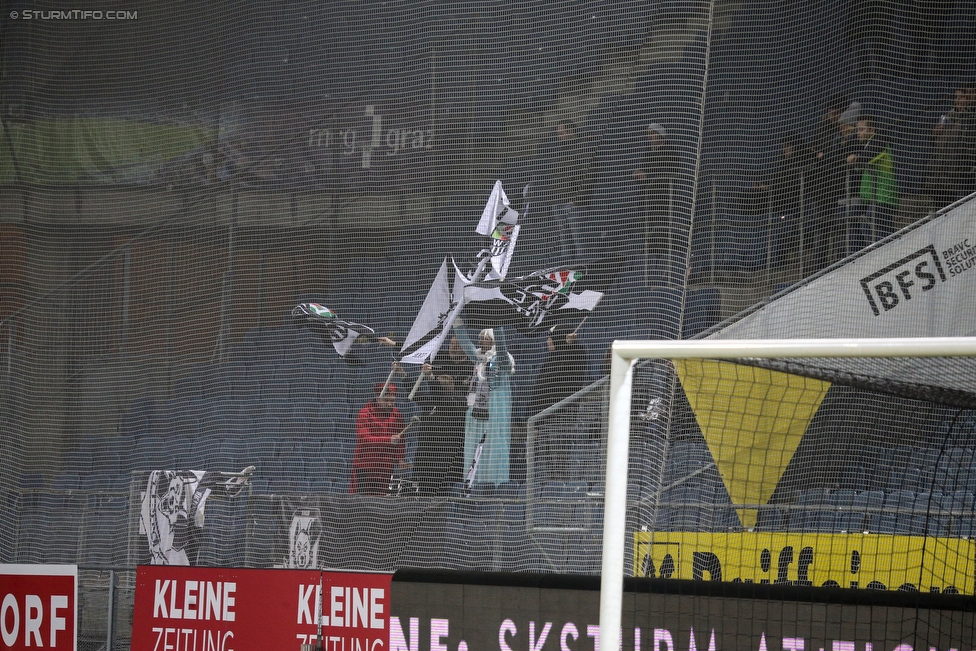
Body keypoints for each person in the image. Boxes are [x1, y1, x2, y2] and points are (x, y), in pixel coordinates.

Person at [410, 336, 474, 495]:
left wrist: (430, 378)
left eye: (457, 344)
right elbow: (416, 395)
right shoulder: (432, 402)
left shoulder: (457, 403)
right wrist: (402, 373)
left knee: (443, 496)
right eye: (451, 344)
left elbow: (441, 395)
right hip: (427, 461)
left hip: (446, 464)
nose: (453, 347)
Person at [453, 321, 515, 485]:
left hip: (493, 415)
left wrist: (497, 322)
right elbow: (466, 344)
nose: (480, 341)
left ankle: (495, 484)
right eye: (480, 338)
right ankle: (471, 483)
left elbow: (502, 347)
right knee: (472, 449)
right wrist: (457, 323)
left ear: (493, 340)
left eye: (484, 338)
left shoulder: (502, 360)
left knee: (493, 450)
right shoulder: (478, 358)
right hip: (475, 412)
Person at [529, 324, 590, 483]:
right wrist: (536, 423)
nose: (547, 340)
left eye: (550, 337)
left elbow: (577, 363)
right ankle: (548, 493)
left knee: (559, 462)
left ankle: (560, 494)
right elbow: (539, 391)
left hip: (563, 419)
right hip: (544, 421)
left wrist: (571, 345)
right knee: (545, 464)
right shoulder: (549, 360)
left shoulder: (575, 354)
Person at [535, 120, 596, 259]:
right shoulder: (559, 151)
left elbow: (588, 175)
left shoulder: (584, 148)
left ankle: (582, 271)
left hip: (574, 203)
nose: (561, 136)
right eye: (559, 134)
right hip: (558, 201)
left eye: (563, 133)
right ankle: (566, 272)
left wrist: (577, 198)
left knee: (579, 241)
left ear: (572, 131)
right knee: (565, 242)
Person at [846, 115, 898, 247]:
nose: (858, 133)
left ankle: (886, 253)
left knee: (874, 225)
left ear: (872, 130)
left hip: (883, 195)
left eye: (862, 130)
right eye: (858, 130)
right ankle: (857, 256)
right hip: (872, 196)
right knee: (855, 218)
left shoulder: (879, 141)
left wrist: (856, 158)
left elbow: (866, 157)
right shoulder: (867, 144)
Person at [923, 82, 976, 208]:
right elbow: (935, 142)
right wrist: (935, 133)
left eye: (962, 96)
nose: (958, 100)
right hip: (939, 177)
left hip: (958, 177)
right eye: (956, 97)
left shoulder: (970, 119)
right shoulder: (947, 117)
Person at [351, 382, 406, 495]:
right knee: (360, 502)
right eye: (386, 400)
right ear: (378, 398)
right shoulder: (365, 413)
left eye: (392, 401)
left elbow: (401, 439)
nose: (390, 404)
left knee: (380, 502)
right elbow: (364, 439)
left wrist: (399, 458)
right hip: (365, 467)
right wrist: (388, 440)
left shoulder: (396, 415)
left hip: (385, 468)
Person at [632, 123, 675, 257]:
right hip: (647, 195)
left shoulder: (669, 151)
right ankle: (650, 249)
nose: (650, 137)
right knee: (648, 224)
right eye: (649, 134)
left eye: (653, 133)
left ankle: (660, 250)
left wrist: (647, 175)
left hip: (661, 195)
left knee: (660, 223)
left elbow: (668, 171)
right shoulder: (648, 152)